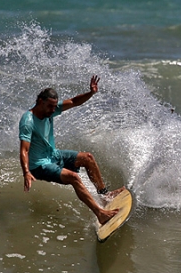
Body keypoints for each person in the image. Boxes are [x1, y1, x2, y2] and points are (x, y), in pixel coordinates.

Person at [18, 75, 120, 225]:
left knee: (88, 158)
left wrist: (90, 93)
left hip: (53, 155)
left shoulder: (50, 109)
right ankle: (100, 214)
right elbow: (24, 150)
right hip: (39, 165)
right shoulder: (28, 121)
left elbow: (73, 101)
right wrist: (26, 172)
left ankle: (104, 196)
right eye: (50, 106)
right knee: (73, 177)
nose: (54, 110)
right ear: (40, 101)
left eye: (55, 106)